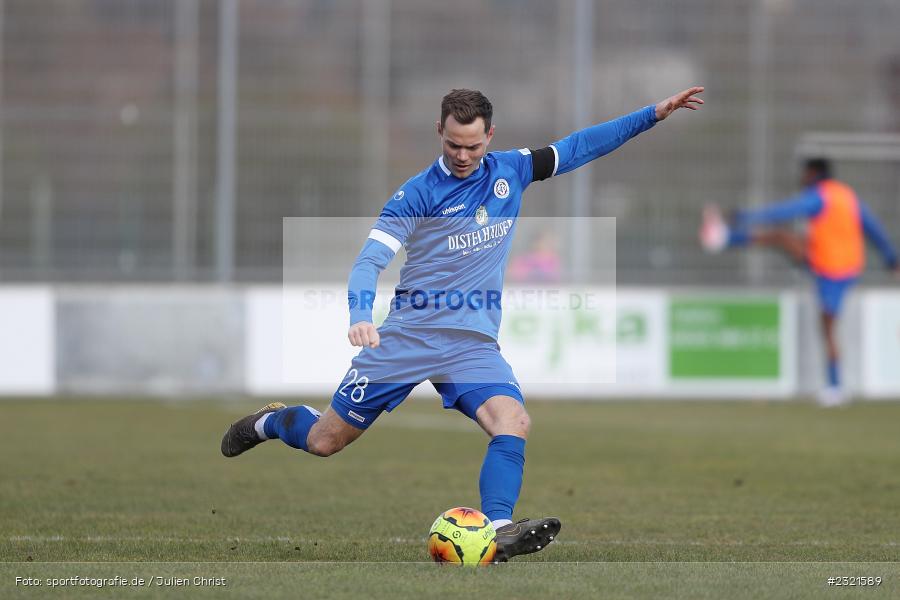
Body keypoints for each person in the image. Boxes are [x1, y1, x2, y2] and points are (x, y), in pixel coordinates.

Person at [223, 86, 705, 561]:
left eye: (473, 145)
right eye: (453, 143)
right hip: (408, 336)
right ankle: (268, 422)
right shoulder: (416, 194)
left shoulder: (511, 171)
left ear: (490, 136)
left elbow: (580, 146)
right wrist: (360, 315)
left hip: (471, 342)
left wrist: (652, 114)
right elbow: (369, 260)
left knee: (512, 421)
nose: (462, 154)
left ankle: (498, 529)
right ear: (439, 132)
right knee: (323, 441)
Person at [700, 158, 899, 406]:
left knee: (827, 326)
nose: (803, 179)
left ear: (815, 174)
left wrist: (745, 215)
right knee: (782, 239)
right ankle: (725, 238)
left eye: (806, 174)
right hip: (843, 265)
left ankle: (836, 387)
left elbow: (785, 211)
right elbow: (874, 228)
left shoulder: (820, 196)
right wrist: (892, 259)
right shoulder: (847, 196)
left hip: (830, 269)